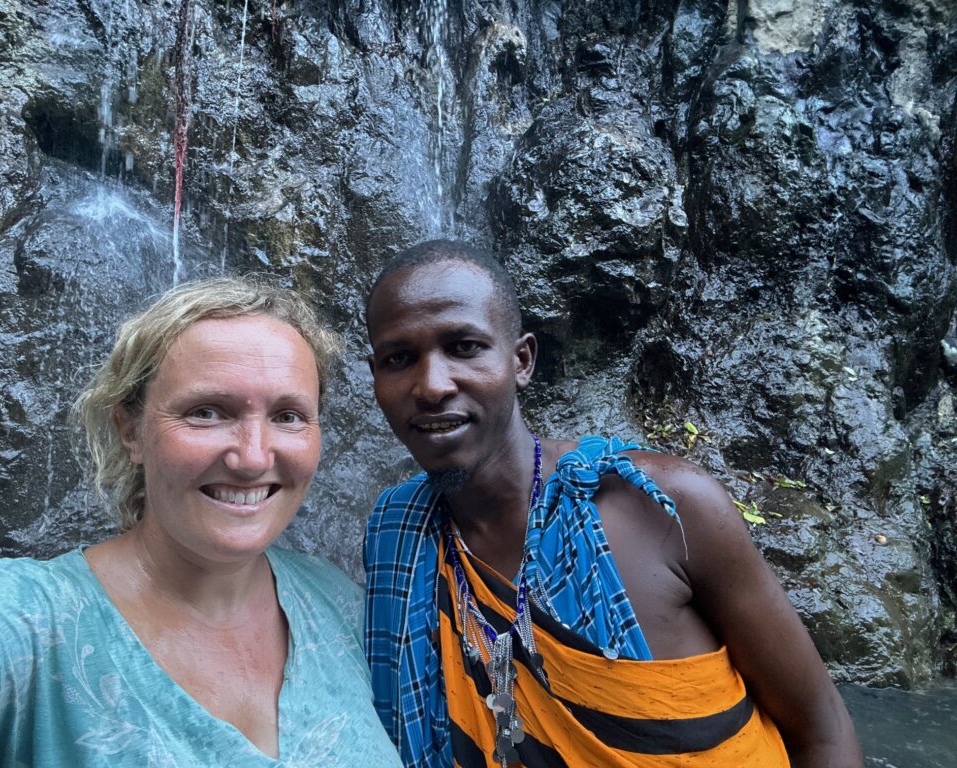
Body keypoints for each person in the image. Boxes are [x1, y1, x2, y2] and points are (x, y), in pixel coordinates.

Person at [363, 240, 863, 767]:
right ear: (375, 377)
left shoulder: (662, 506)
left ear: (522, 360)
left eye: (464, 347)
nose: (433, 385)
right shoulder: (398, 533)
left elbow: (822, 727)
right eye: (399, 359)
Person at [0, 277, 403, 767]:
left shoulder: (344, 609)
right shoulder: (18, 623)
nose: (252, 457)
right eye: (206, 412)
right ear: (130, 430)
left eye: (288, 416)